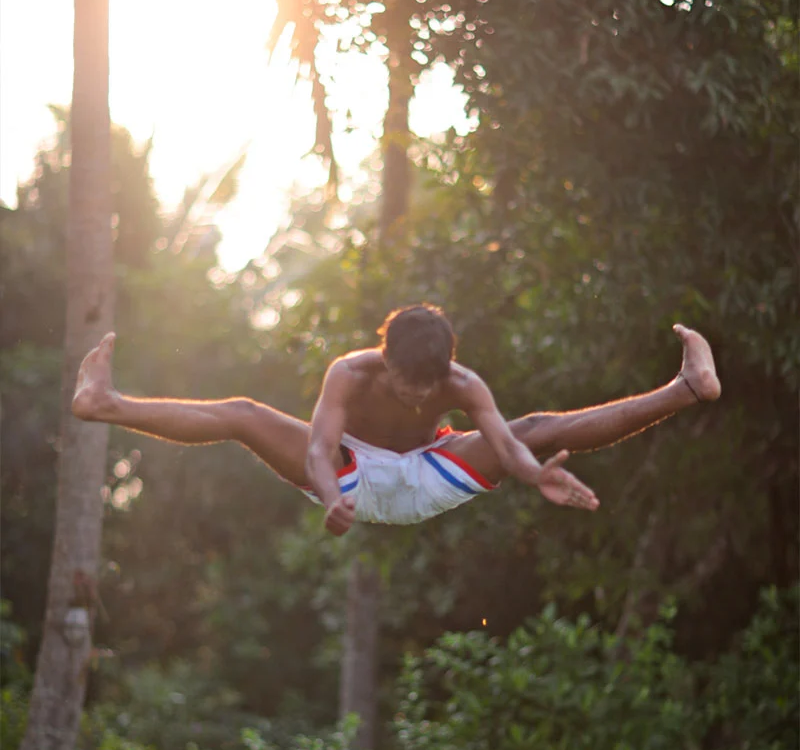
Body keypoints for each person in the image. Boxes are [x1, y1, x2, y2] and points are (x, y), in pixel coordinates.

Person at [72, 303, 720, 536]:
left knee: (539, 426)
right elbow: (321, 450)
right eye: (406, 384)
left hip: (431, 478)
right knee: (243, 414)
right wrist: (330, 501)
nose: (416, 398)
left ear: (449, 371)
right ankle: (106, 404)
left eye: (428, 387)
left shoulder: (464, 384)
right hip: (348, 482)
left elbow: (504, 442)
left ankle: (687, 388)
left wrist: (532, 475)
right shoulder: (349, 374)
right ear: (385, 360)